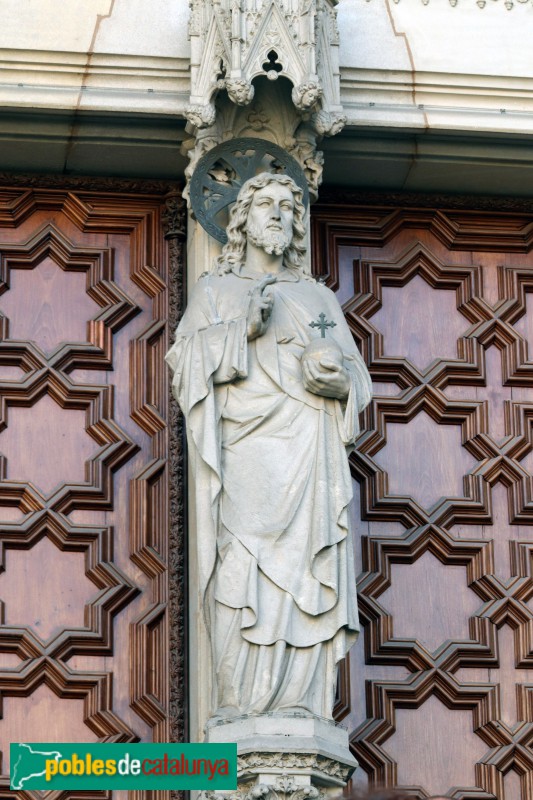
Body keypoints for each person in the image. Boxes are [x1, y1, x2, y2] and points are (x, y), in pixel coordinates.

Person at [166, 172, 372, 721]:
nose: (279, 215)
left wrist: (341, 383)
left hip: (308, 452)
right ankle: (240, 702)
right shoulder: (215, 291)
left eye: (288, 206)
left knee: (303, 567)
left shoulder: (317, 296)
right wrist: (242, 332)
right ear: (242, 220)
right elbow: (182, 362)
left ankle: (301, 703)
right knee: (243, 566)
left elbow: (356, 376)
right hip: (247, 455)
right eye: (266, 206)